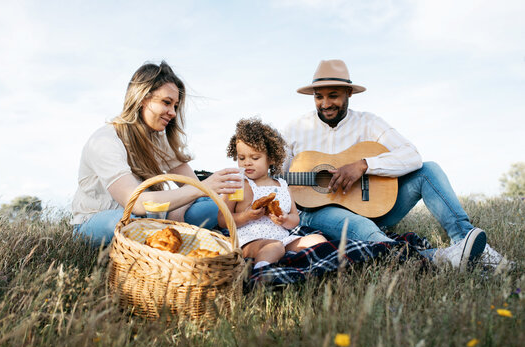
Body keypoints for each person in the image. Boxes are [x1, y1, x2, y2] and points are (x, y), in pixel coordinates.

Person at [281, 59, 505, 271]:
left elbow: (411, 156)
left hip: (375, 207)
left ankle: (471, 244)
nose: (326, 103)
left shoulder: (368, 122)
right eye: (319, 97)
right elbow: (275, 174)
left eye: (333, 96)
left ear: (349, 93)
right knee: (358, 224)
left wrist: (364, 165)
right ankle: (438, 258)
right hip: (316, 212)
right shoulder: (295, 129)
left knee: (429, 169)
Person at [71, 60, 242, 247]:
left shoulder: (158, 140)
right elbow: (135, 203)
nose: (173, 113)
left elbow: (191, 186)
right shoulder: (105, 141)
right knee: (130, 223)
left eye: (175, 106)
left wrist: (180, 210)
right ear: (142, 98)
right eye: (166, 103)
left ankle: (179, 237)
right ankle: (179, 238)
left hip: (153, 219)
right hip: (101, 221)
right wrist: (204, 187)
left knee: (218, 205)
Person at [218, 118, 327, 270]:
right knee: (274, 247)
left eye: (255, 158)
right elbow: (223, 219)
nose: (246, 162)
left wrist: (285, 219)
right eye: (241, 158)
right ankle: (261, 275)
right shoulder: (239, 185)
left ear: (271, 158)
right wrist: (246, 216)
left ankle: (314, 265)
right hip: (251, 241)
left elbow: (295, 218)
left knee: (317, 240)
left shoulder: (282, 185)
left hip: (283, 238)